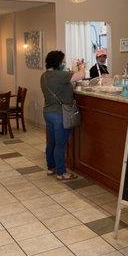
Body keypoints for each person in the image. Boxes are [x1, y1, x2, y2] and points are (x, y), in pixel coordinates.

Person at [41, 50, 85, 180]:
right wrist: (81, 66)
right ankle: (62, 172)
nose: (64, 63)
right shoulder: (59, 75)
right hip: (60, 114)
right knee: (60, 144)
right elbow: (81, 75)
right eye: (63, 61)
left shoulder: (44, 76)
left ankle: (51, 167)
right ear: (58, 62)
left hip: (48, 113)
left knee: (51, 142)